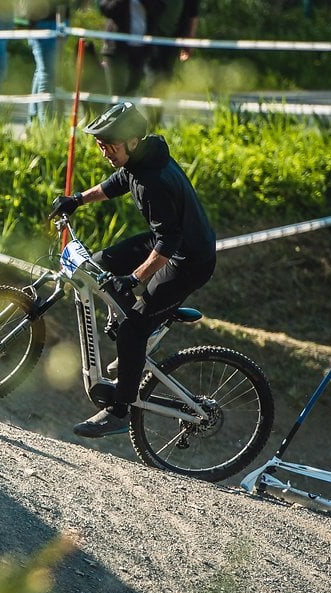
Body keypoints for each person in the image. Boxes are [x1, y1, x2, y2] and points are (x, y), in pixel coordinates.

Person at [49, 102, 216, 438]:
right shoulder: (140, 160)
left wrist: (135, 278)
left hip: (189, 260)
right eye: (100, 144)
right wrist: (77, 199)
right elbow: (116, 183)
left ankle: (119, 409)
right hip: (167, 242)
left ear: (132, 142)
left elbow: (168, 244)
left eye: (110, 145)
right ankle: (136, 322)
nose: (104, 150)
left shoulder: (153, 179)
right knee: (100, 263)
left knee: (132, 329)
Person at [15, 2, 68, 124]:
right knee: (47, 73)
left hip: (58, 18)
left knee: (43, 71)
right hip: (43, 21)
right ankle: (45, 123)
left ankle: (33, 120)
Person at [96, 0, 156, 97]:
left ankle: (128, 112)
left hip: (139, 50)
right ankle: (112, 112)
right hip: (116, 49)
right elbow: (106, 9)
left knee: (131, 94)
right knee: (116, 95)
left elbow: (158, 10)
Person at [146, 0, 200, 93]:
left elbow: (193, 16)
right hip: (151, 40)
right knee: (153, 76)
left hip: (174, 41)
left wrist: (188, 44)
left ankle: (158, 104)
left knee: (167, 77)